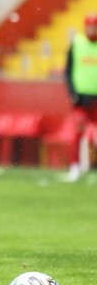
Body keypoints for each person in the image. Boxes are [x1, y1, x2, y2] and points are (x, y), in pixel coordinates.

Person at [63, 12, 97, 182]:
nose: (91, 29)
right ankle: (75, 167)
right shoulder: (77, 44)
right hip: (81, 98)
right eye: (89, 26)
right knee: (77, 132)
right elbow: (68, 71)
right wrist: (72, 93)